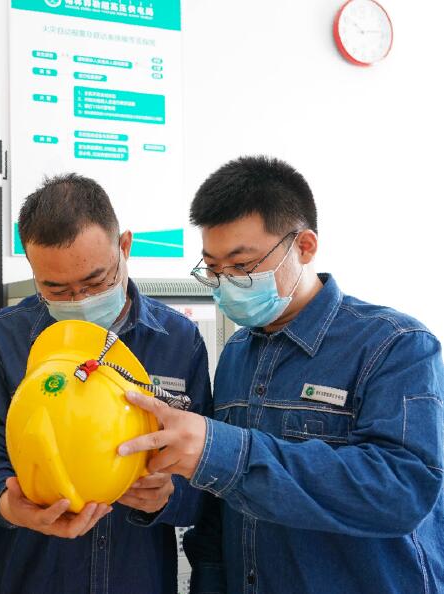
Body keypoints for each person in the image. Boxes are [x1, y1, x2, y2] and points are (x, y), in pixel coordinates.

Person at [118, 155, 444, 593]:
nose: (225, 282)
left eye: (242, 265)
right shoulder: (236, 353)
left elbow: (401, 492)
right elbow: (220, 515)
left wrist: (223, 451)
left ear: (305, 246)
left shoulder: (395, 344)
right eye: (213, 268)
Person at [0, 173, 212, 593]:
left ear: (124, 246)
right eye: (56, 289)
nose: (79, 301)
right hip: (29, 576)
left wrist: (168, 495)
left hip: (134, 575)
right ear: (32, 268)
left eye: (95, 282)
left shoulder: (179, 340)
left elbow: (207, 472)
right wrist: (8, 503)